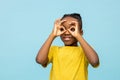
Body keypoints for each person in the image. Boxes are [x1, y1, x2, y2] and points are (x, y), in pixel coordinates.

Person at [36, 13, 100, 80]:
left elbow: (95, 62)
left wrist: (78, 36)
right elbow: (40, 60)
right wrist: (52, 35)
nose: (67, 33)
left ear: (81, 32)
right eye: (62, 29)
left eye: (72, 29)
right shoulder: (54, 50)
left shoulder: (85, 51)